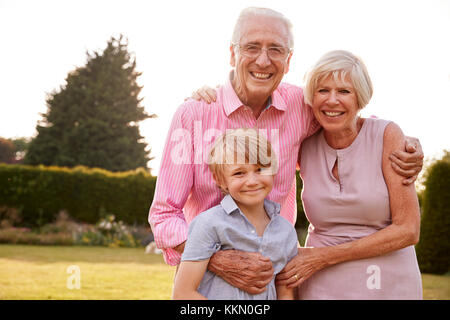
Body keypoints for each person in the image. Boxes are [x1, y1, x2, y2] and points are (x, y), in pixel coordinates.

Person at [149, 7, 423, 295]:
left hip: (273, 276)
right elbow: (164, 214)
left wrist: (402, 141)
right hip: (205, 279)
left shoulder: (299, 107)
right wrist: (217, 259)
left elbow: (345, 116)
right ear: (232, 54)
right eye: (252, 47)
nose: (263, 60)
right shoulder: (194, 115)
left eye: (276, 49)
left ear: (288, 59)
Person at [274, 50, 422, 299]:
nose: (332, 100)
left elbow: (408, 229)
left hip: (386, 283)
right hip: (320, 283)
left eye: (344, 91)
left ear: (359, 97)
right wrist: (207, 98)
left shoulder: (387, 135)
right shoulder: (304, 144)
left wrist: (322, 257)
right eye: (323, 90)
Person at [172, 129, 298, 300]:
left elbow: (285, 292)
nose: (252, 181)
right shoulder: (208, 224)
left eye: (260, 169)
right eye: (239, 173)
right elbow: (183, 293)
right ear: (220, 180)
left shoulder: (286, 231)